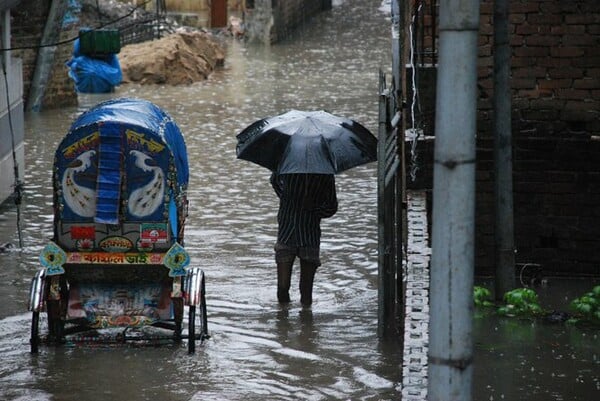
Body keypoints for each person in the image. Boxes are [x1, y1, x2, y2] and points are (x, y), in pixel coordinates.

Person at [270, 172, 338, 306]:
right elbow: (274, 180)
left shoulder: (325, 175)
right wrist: (285, 197)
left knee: (306, 292)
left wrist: (313, 208)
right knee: (282, 287)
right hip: (286, 232)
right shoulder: (286, 166)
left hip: (309, 235)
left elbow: (331, 207)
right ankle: (284, 321)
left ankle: (305, 319)